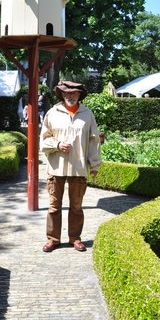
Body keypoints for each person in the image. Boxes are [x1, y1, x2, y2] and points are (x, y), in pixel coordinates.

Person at [40, 80, 102, 252]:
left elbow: (94, 141)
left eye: (74, 93)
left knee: (76, 206)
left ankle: (75, 238)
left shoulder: (87, 114)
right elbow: (43, 139)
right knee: (54, 206)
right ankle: (53, 239)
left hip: (78, 167)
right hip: (56, 166)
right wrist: (57, 145)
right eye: (67, 93)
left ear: (79, 95)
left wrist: (95, 164)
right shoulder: (52, 113)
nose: (71, 96)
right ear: (61, 94)